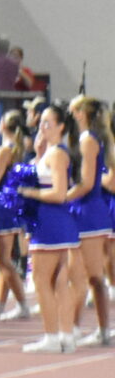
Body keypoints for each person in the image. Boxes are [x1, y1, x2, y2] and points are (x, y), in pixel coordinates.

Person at [19, 102, 82, 354]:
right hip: (54, 221)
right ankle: (65, 335)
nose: (42, 127)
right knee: (59, 282)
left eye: (48, 123)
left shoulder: (57, 153)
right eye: (40, 122)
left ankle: (51, 337)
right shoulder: (50, 151)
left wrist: (28, 192)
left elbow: (59, 193)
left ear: (61, 127)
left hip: (51, 221)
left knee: (41, 279)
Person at [0, 106, 33, 322]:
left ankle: (22, 304)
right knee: (5, 259)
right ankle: (0, 304)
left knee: (2, 259)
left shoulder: (4, 150)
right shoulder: (17, 148)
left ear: (4, 126)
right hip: (9, 205)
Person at [69, 96, 113, 347]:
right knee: (93, 276)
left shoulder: (87, 140)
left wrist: (62, 197)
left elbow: (86, 183)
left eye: (74, 110)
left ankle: (75, 328)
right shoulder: (92, 138)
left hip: (87, 211)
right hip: (92, 211)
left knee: (86, 275)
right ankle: (100, 329)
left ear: (80, 113)